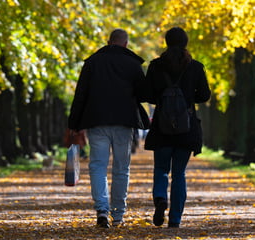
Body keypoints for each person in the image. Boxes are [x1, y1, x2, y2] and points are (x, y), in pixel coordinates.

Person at [68, 29, 148, 228]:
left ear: (108, 41)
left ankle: (102, 209)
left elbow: (81, 94)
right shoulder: (133, 64)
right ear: (126, 44)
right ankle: (118, 214)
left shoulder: (92, 62)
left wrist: (74, 123)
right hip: (124, 122)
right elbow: (143, 94)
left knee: (98, 166)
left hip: (97, 120)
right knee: (122, 169)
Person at [144, 27, 211, 228]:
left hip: (162, 128)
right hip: (186, 127)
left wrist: (162, 98)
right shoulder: (196, 67)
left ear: (166, 42)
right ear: (186, 42)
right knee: (179, 173)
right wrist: (188, 99)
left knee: (161, 168)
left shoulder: (155, 66)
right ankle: (175, 219)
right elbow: (205, 95)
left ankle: (160, 198)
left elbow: (146, 94)